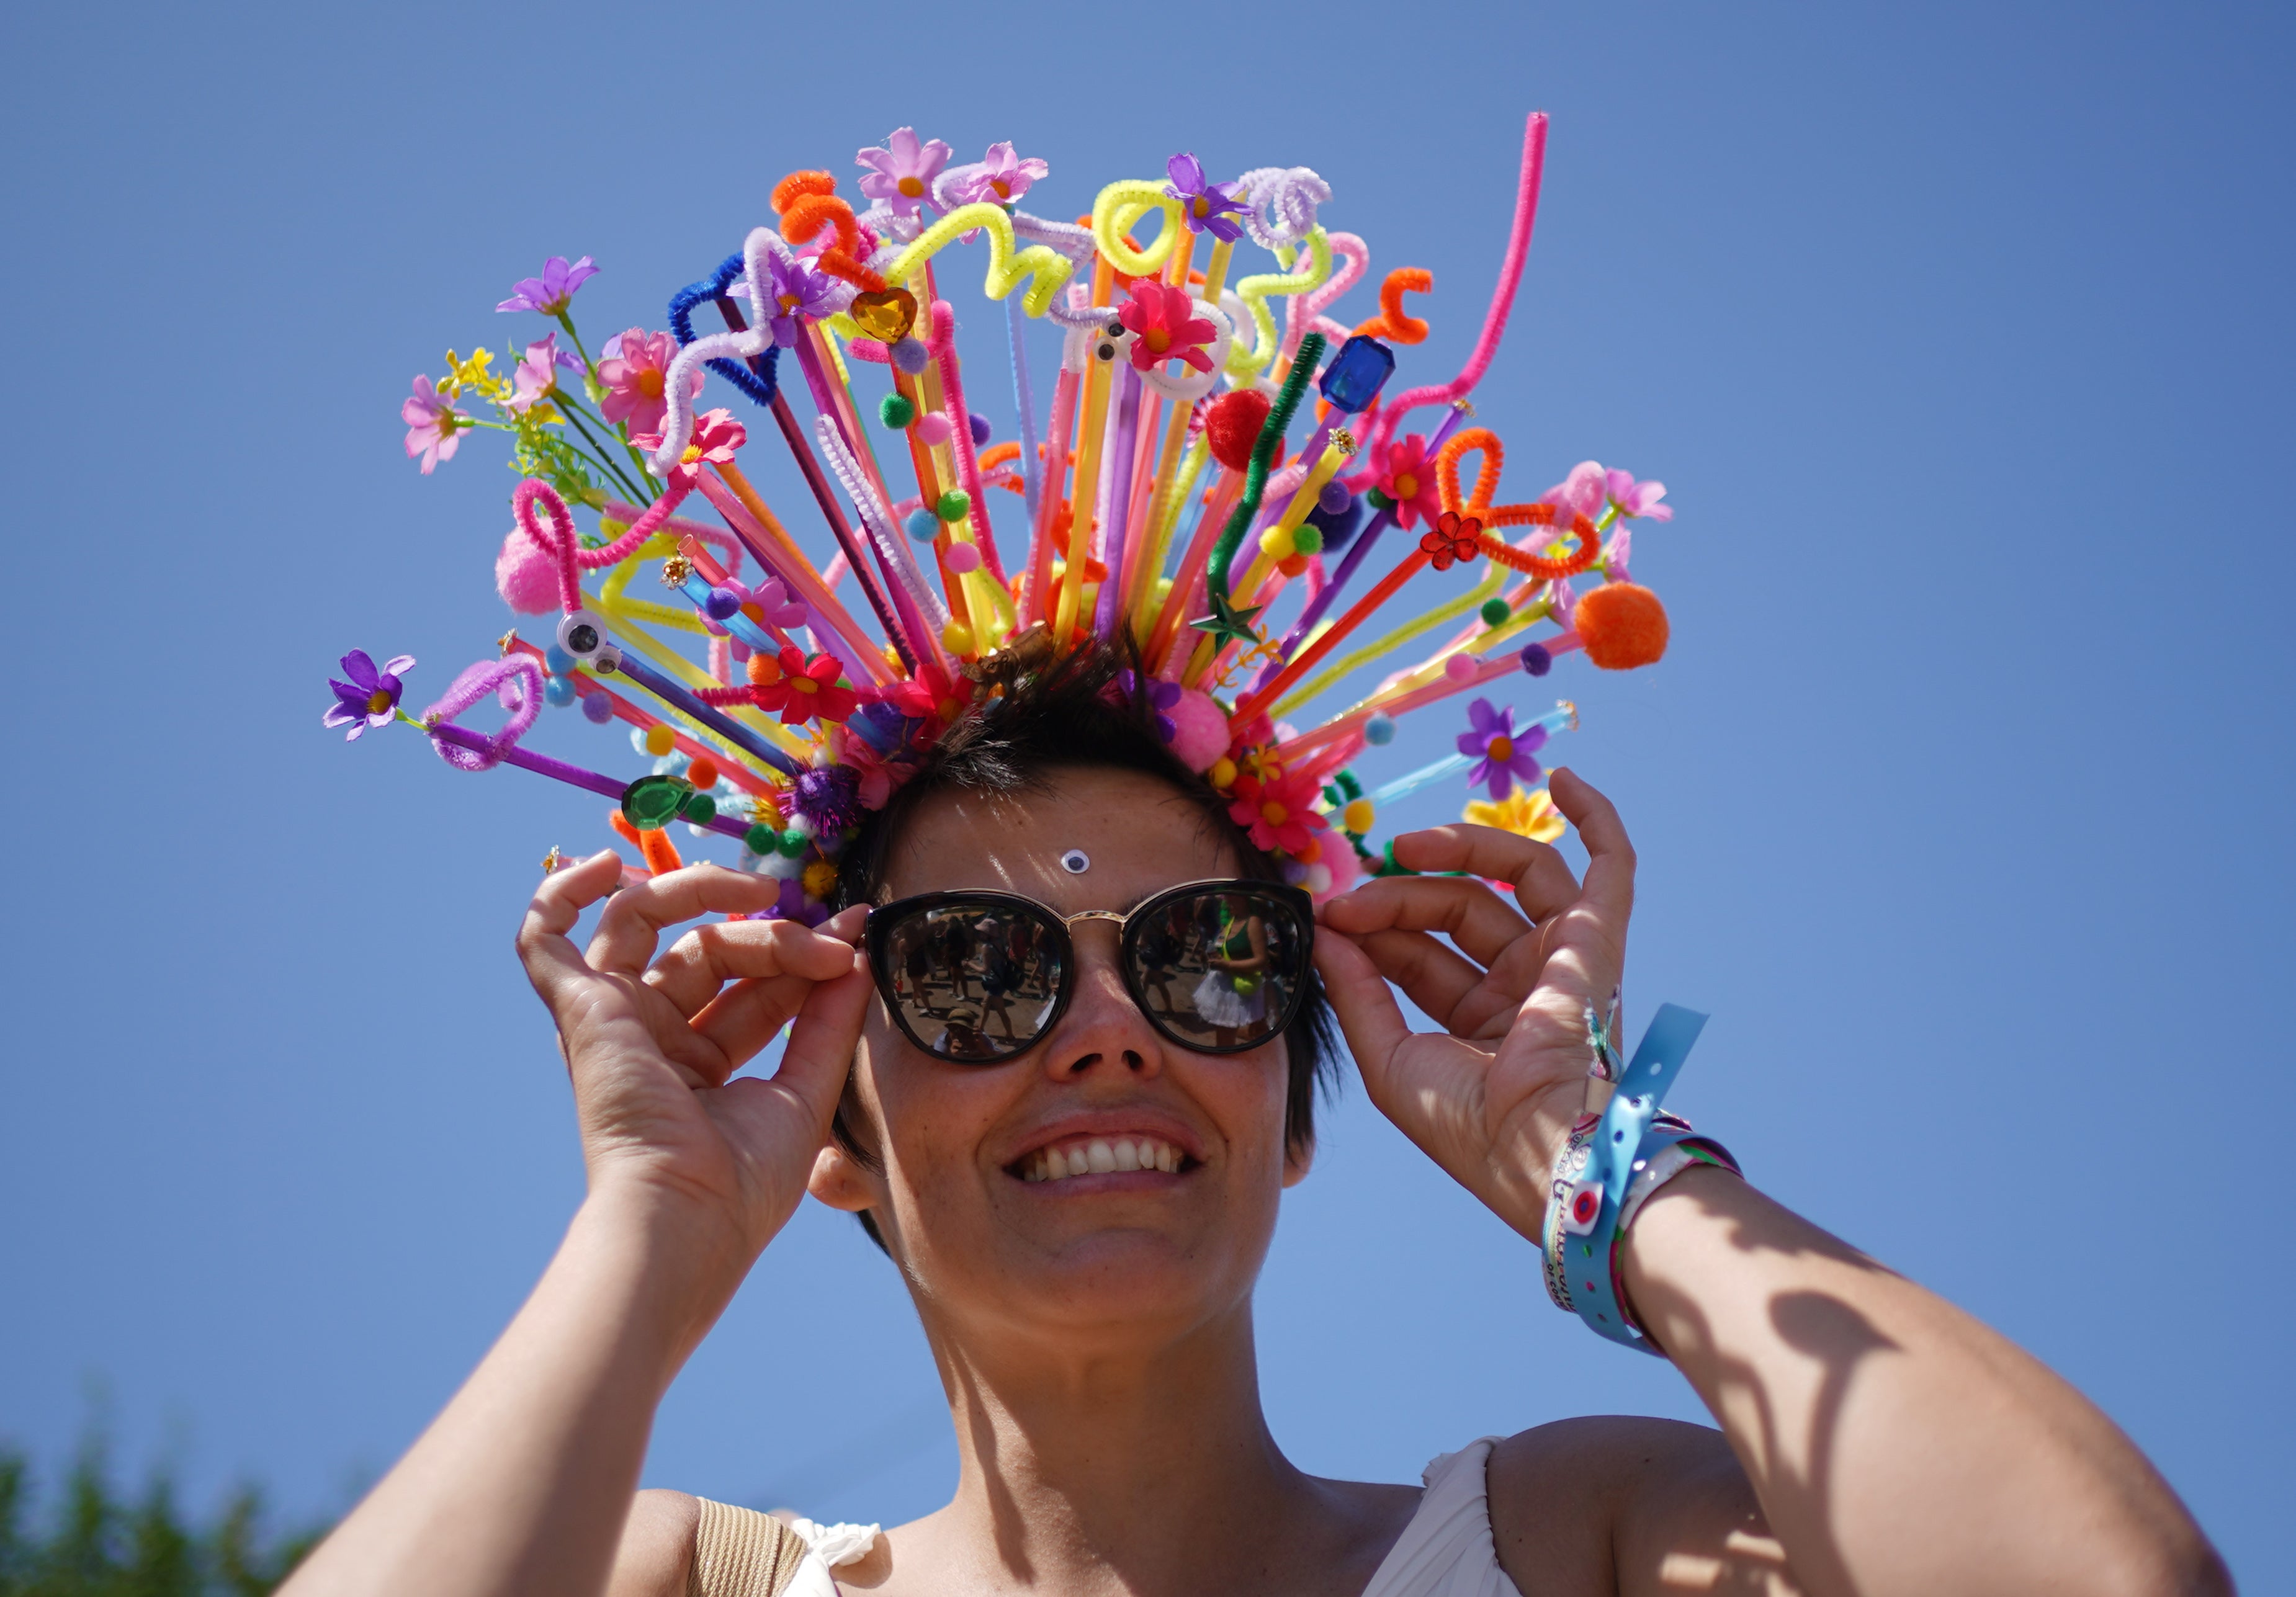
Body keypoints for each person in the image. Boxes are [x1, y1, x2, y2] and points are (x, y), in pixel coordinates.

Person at [277, 651, 2228, 1597]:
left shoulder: (1567, 1545)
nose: (1113, 1032)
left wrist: (1591, 1162)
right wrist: (655, 1216)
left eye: (1208, 961)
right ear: (844, 1129)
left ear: (1290, 1109)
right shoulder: (675, 1584)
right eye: (975, 970)